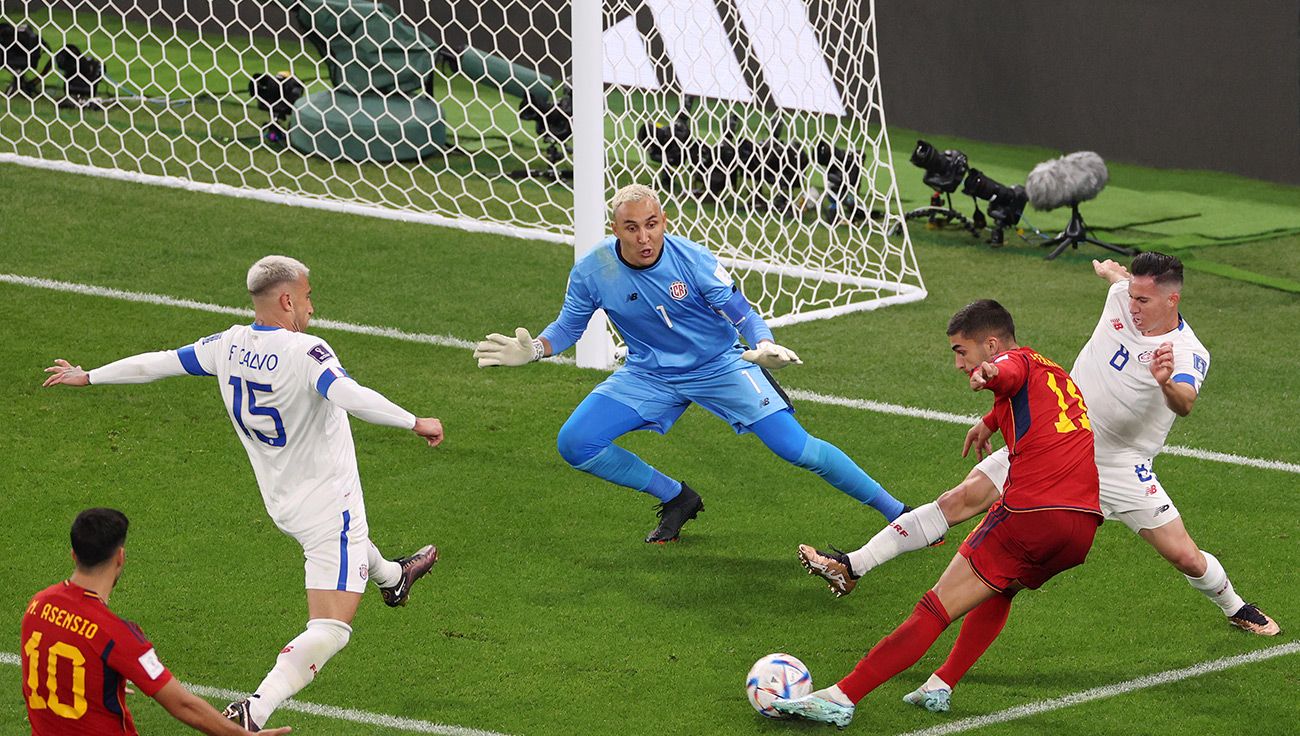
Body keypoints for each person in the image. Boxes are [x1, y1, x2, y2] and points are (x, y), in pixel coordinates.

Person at [797, 254, 1278, 715]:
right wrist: (992, 415)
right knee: (960, 499)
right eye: (1131, 295)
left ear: (1171, 301)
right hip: (1055, 440)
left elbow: (1186, 403)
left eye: (1144, 301)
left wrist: (1165, 381)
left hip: (1119, 464)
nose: (1132, 307)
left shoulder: (1189, 352)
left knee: (1184, 556)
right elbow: (1110, 282)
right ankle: (853, 564)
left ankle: (1236, 606)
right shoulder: (1119, 296)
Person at [41, 256, 444, 731]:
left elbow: (160, 363)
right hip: (328, 506)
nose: (312, 308)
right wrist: (414, 421)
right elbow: (348, 394)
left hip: (281, 502)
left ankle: (393, 578)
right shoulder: (307, 352)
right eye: (309, 296)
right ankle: (257, 706)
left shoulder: (226, 345)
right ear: (288, 299)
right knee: (331, 629)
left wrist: (91, 375)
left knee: (351, 546)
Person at [472, 183, 909, 543]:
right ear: (615, 229)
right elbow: (569, 328)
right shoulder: (593, 270)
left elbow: (742, 312)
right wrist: (533, 350)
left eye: (652, 225)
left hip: (720, 365)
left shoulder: (693, 259)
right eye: (632, 228)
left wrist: (763, 344)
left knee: (796, 449)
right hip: (649, 373)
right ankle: (678, 497)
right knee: (576, 443)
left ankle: (900, 514)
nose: (644, 237)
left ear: (664, 222)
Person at [771, 299, 1103, 727]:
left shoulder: (1010, 363)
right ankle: (941, 683)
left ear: (991, 343)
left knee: (934, 609)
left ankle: (842, 696)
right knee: (1000, 587)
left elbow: (1007, 370)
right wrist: (990, 419)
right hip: (1080, 528)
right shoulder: (1052, 371)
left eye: (962, 352)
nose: (960, 364)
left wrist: (991, 373)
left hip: (1031, 513)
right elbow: (1037, 404)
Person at [22, 508, 292, 736]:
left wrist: (99, 681)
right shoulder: (116, 635)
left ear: (74, 554)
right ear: (120, 557)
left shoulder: (38, 605)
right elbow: (183, 705)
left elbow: (57, 658)